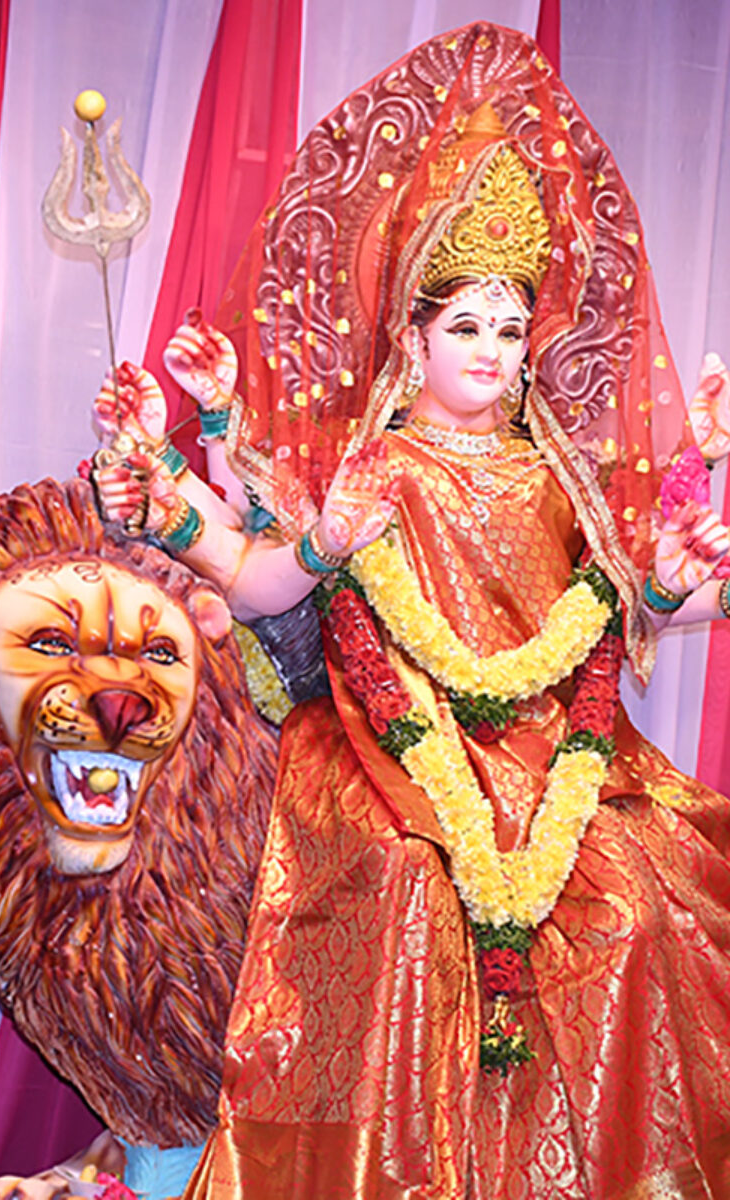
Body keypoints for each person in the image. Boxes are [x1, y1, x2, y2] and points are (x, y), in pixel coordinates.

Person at [92, 23, 730, 1199]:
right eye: (465, 327)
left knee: (642, 898)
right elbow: (267, 582)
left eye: (510, 329)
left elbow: (607, 616)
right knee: (412, 888)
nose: (491, 352)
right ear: (413, 336)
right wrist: (223, 516)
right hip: (386, 748)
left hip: (553, 753)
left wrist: (674, 585)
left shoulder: (557, 473)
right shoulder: (373, 466)